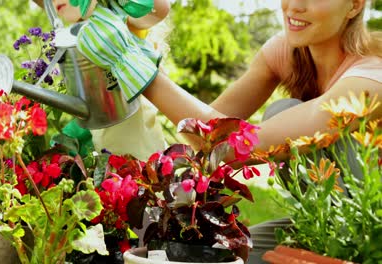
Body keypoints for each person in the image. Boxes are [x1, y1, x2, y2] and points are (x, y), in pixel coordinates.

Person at [76, 0, 382, 262]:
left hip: (367, 228)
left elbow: (247, 145)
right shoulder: (287, 53)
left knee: (281, 112)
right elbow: (202, 138)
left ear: (355, 5)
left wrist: (136, 68)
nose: (295, 6)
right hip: (316, 224)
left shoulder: (370, 79)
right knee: (224, 254)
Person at [32, 0, 171, 160]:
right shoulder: (79, 43)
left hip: (151, 161)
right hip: (115, 173)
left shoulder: (116, 24)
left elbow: (159, 7)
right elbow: (96, 111)